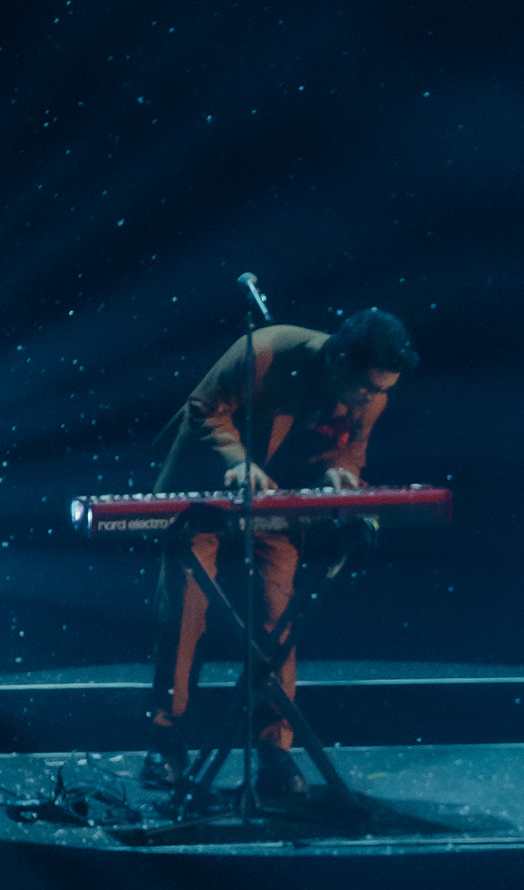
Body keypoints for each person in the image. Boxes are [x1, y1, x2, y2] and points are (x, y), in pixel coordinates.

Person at [147, 305, 419, 797]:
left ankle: (274, 748)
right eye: (368, 388)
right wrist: (237, 459)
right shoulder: (266, 350)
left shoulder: (370, 395)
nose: (374, 398)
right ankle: (166, 739)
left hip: (276, 502)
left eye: (384, 390)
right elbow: (202, 408)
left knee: (277, 617)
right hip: (201, 490)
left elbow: (349, 450)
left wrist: (339, 474)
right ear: (339, 361)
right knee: (185, 610)